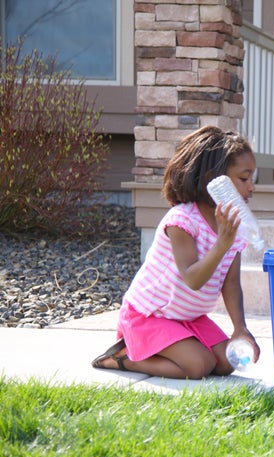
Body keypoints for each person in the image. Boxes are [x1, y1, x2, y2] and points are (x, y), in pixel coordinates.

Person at [91, 126, 261, 379]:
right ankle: (122, 358)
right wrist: (221, 244)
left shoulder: (232, 228)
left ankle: (175, 348)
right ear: (213, 180)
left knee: (228, 361)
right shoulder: (182, 220)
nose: (251, 187)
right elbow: (192, 279)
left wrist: (240, 328)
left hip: (188, 319)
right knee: (198, 365)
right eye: (244, 178)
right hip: (150, 316)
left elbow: (231, 283)